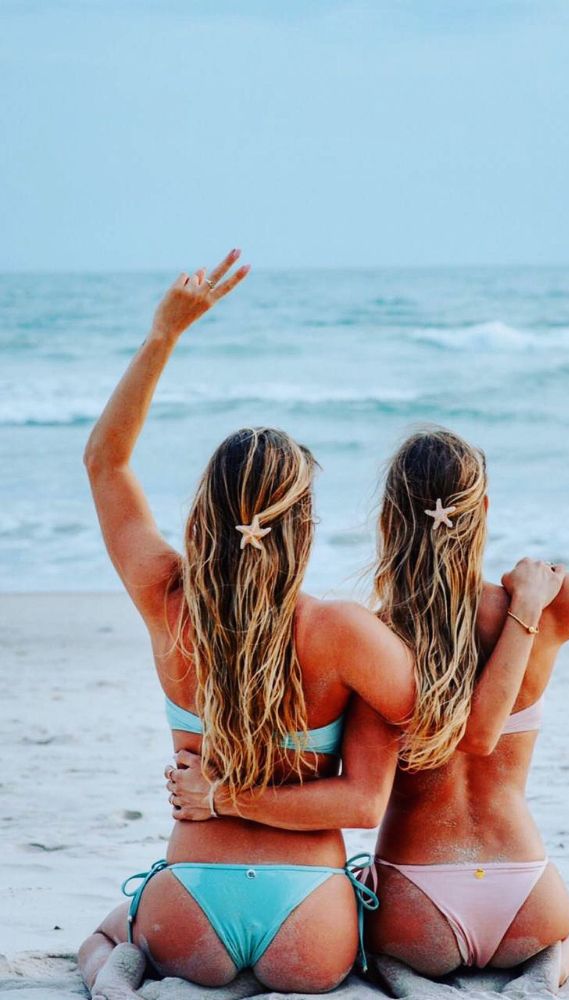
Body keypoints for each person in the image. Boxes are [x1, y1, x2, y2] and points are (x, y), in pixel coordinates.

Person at [171, 315, 569, 989]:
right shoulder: (542, 607)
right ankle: (552, 964)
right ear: (480, 509)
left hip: (415, 903)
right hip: (525, 896)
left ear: (389, 520)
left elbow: (363, 788)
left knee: (373, 929)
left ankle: (401, 973)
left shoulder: (371, 640)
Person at [78, 251, 420, 999]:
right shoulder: (346, 636)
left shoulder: (167, 598)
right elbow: (383, 781)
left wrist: (165, 333)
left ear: (206, 513)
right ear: (301, 524)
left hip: (190, 902)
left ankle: (118, 971)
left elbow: (105, 462)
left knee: (106, 935)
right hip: (310, 914)